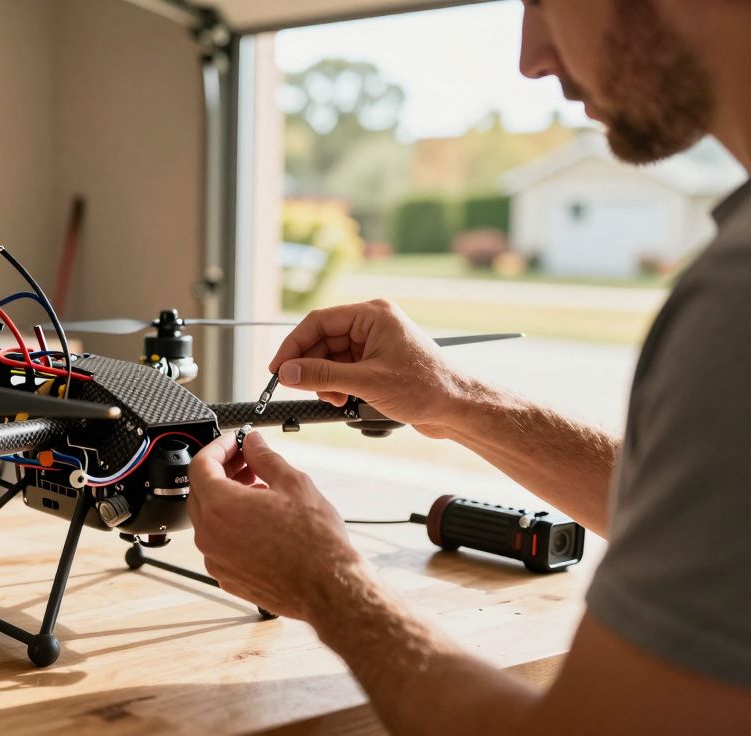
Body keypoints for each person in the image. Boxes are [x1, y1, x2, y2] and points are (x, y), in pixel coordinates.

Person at [186, 1, 751, 732]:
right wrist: (451, 398)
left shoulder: (735, 301)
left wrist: (327, 585)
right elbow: (702, 517)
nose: (531, 56)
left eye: (540, 0)